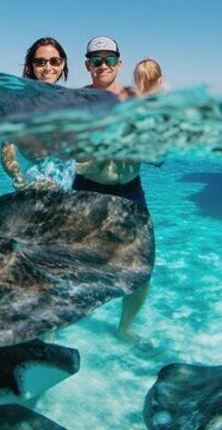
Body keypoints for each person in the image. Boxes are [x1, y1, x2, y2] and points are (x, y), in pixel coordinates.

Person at [74, 35, 150, 337]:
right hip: (86, 191)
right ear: (87, 65)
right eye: (96, 60)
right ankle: (65, 322)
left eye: (108, 59)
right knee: (75, 263)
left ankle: (125, 329)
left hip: (130, 191)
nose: (102, 65)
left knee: (141, 270)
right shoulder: (75, 101)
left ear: (119, 64)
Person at [0, 37, 75, 190]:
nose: (47, 67)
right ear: (31, 66)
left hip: (67, 185)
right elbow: (8, 148)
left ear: (62, 64)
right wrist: (17, 176)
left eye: (54, 61)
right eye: (40, 62)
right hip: (36, 182)